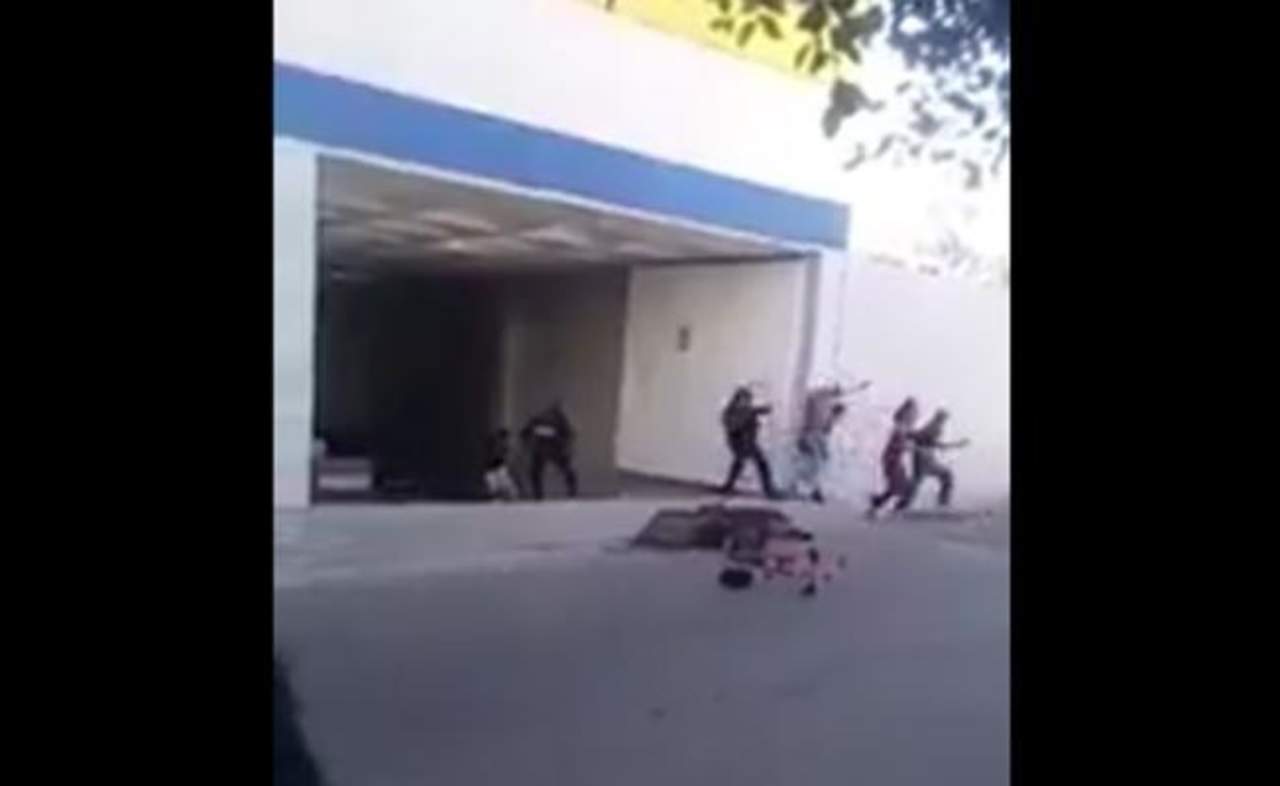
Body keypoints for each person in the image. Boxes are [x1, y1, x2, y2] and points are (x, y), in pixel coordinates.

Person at [791, 379, 870, 503]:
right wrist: (858, 387)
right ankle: (810, 487)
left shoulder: (824, 403)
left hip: (814, 436)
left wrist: (859, 387)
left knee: (819, 461)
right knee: (817, 462)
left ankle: (808, 485)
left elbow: (843, 392)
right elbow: (840, 392)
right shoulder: (818, 399)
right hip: (811, 435)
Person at [717, 386, 779, 499]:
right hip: (739, 442)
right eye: (744, 399)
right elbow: (731, 424)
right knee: (753, 463)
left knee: (748, 463)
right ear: (737, 399)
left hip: (748, 442)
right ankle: (769, 490)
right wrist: (746, 418)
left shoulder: (748, 410)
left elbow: (760, 410)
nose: (746, 402)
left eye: (748, 400)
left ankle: (768, 489)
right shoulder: (732, 411)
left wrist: (767, 408)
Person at [900, 409, 969, 510]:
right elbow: (929, 441)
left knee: (917, 483)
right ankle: (942, 504)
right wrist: (956, 444)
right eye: (943, 420)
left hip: (924, 459)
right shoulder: (934, 428)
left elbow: (924, 439)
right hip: (925, 460)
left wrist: (956, 445)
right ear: (940, 418)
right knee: (946, 476)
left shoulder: (931, 427)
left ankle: (902, 506)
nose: (943, 423)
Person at [866, 397, 920, 518]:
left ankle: (878, 504)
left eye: (916, 412)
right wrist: (908, 447)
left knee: (900, 487)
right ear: (906, 412)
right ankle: (884, 506)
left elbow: (911, 438)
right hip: (891, 460)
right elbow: (896, 444)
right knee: (899, 487)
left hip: (895, 460)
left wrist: (911, 446)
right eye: (913, 411)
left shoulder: (904, 426)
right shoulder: (900, 426)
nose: (915, 415)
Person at [520, 401, 578, 500]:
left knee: (567, 470)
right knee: (536, 472)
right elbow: (525, 433)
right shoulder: (539, 420)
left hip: (554, 449)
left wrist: (564, 443)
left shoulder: (559, 421)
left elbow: (568, 434)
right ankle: (538, 494)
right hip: (544, 449)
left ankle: (571, 491)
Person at [482, 428, 519, 501]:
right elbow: (491, 458)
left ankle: (505, 496)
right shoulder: (495, 447)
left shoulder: (505, 448)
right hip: (492, 468)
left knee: (507, 486)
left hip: (499, 467)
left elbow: (506, 458)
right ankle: (498, 497)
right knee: (495, 487)